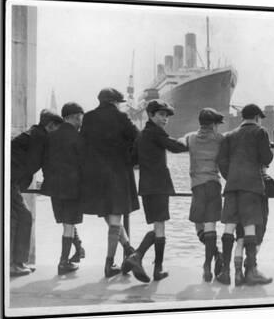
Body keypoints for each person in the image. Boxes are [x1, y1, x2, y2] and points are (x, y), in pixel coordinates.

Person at [124, 99, 188, 283]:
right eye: (161, 114)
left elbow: (132, 160)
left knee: (157, 225)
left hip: (145, 186)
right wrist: (188, 140)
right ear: (151, 115)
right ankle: (149, 264)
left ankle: (132, 261)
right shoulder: (156, 133)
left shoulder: (142, 135)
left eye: (167, 115)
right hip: (159, 186)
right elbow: (176, 147)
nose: (165, 118)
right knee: (160, 226)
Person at [80, 88, 140, 278]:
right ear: (114, 102)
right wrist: (131, 159)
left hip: (95, 174)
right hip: (117, 173)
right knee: (115, 217)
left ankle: (130, 251)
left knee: (108, 214)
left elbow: (83, 144)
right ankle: (109, 264)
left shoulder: (88, 118)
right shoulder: (121, 118)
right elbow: (137, 138)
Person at [216, 104, 274, 286]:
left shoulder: (229, 135)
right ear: (257, 117)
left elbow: (222, 163)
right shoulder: (260, 132)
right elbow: (267, 158)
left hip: (232, 186)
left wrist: (232, 177)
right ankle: (252, 271)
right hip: (252, 187)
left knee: (229, 227)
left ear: (242, 117)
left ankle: (226, 272)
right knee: (249, 228)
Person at [10, 109, 63, 276]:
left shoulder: (34, 133)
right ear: (50, 125)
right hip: (8, 181)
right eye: (57, 129)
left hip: (10, 180)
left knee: (19, 218)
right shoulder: (40, 137)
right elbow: (35, 163)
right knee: (25, 217)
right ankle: (16, 263)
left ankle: (17, 262)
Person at [41, 102, 85, 275]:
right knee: (69, 224)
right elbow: (84, 164)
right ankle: (63, 262)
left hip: (53, 187)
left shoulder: (51, 136)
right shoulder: (78, 137)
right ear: (75, 116)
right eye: (82, 116)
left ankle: (77, 251)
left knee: (66, 223)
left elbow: (45, 161)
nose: (83, 119)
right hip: (72, 188)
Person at [184, 108, 225, 282]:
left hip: (198, 186)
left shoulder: (190, 138)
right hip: (214, 185)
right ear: (214, 125)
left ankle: (215, 256)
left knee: (199, 227)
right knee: (211, 226)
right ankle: (209, 264)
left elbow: (178, 143)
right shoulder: (220, 139)